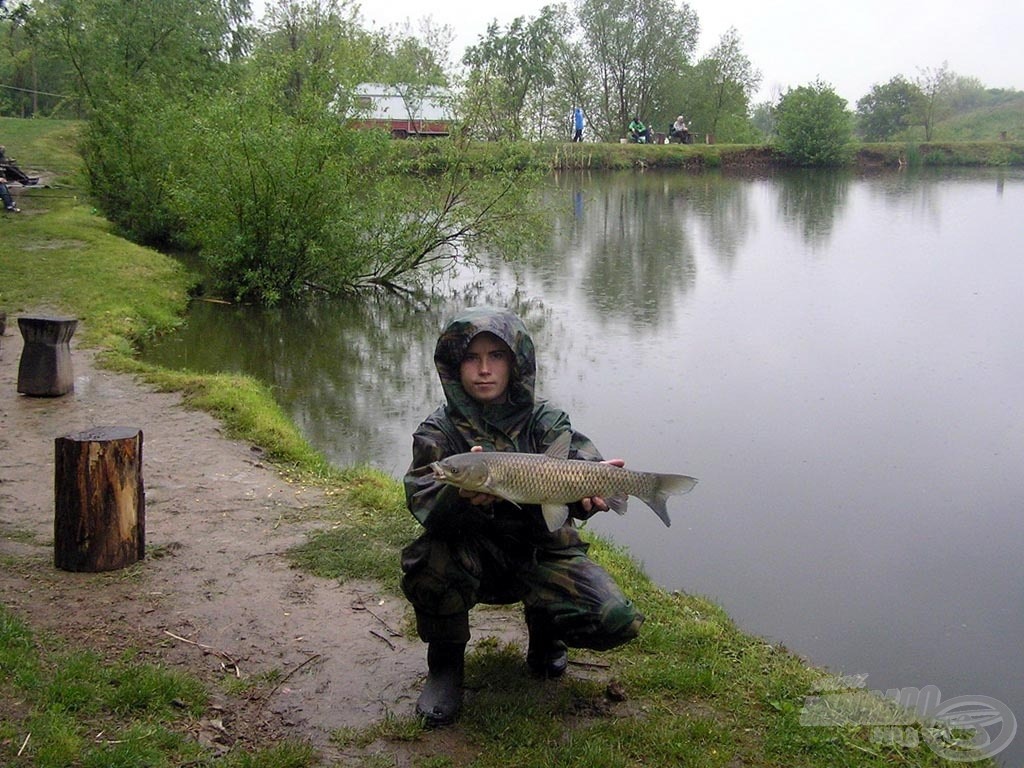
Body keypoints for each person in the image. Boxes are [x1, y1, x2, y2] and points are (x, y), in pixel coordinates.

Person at [401, 306, 645, 727]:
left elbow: (580, 460)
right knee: (428, 564)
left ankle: (546, 634)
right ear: (453, 365)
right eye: (471, 358)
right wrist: (460, 498)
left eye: (496, 356)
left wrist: (588, 495)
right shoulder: (437, 430)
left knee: (616, 619)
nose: (483, 369)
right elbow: (421, 497)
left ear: (516, 363)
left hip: (541, 550)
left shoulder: (546, 419)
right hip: (471, 554)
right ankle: (444, 667)